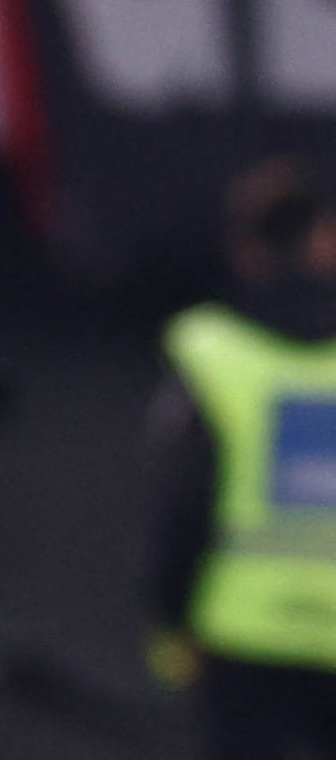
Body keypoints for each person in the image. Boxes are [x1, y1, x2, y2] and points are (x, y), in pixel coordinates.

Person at [148, 157, 336, 760]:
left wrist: (169, 619)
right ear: (325, 238)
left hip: (240, 635)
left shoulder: (210, 349)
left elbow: (182, 501)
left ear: (244, 248)